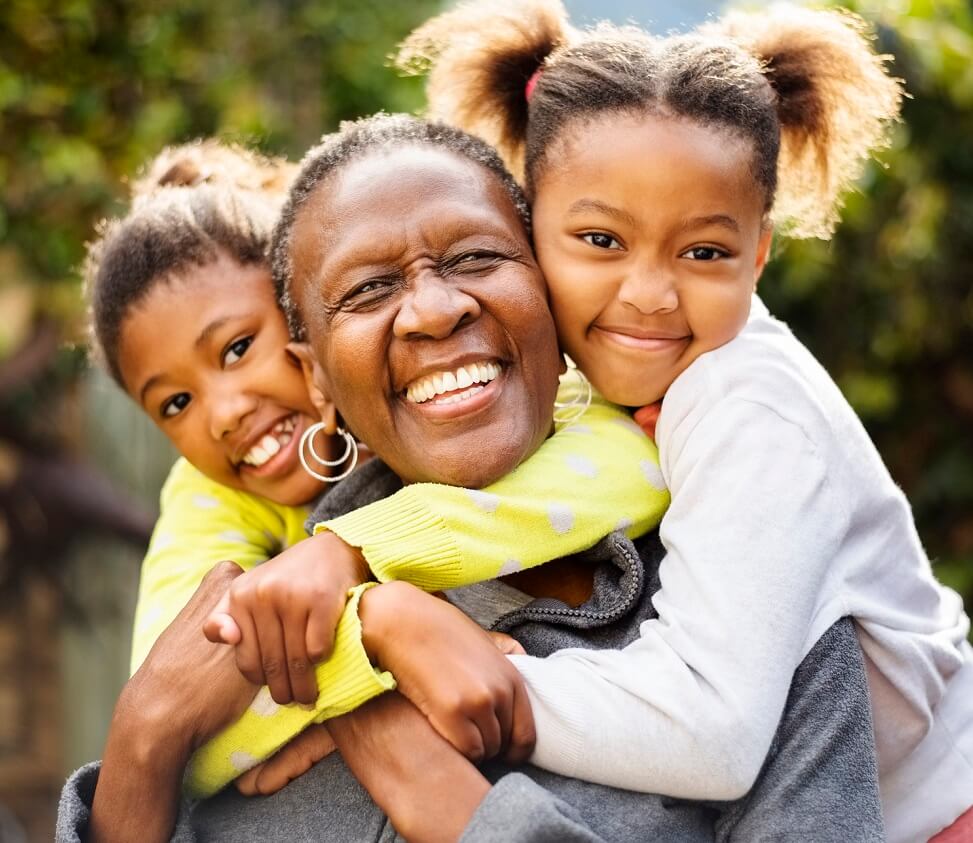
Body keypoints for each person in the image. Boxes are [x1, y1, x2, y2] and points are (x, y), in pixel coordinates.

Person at [58, 113, 885, 842]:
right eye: (369, 289)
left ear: (553, 294)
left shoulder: (752, 609)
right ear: (315, 378)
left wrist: (452, 806)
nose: (432, 308)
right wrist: (145, 740)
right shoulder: (268, 631)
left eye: (478, 257)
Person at [386, 1, 973, 839]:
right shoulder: (581, 379)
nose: (649, 294)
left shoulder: (749, 409)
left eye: (703, 253)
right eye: (599, 239)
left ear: (758, 253)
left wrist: (481, 676)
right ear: (525, 221)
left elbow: (712, 731)